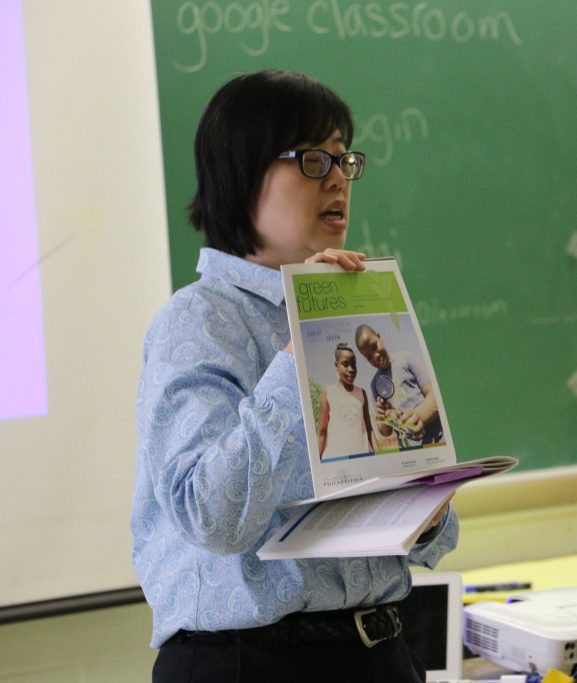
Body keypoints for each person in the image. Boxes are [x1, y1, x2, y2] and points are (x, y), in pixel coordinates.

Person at [130, 69, 457, 683]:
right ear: (242, 172)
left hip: (382, 650)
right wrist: (297, 355)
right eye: (311, 160)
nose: (337, 179)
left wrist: (428, 496)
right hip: (253, 662)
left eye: (342, 159)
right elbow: (211, 516)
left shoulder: (357, 309)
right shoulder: (197, 322)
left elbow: (428, 539)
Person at [354, 324, 443, 449]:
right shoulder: (375, 384)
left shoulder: (405, 358)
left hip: (436, 440)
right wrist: (385, 418)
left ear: (379, 337)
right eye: (368, 357)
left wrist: (419, 417)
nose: (375, 356)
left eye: (375, 346)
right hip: (408, 449)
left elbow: (434, 395)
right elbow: (385, 431)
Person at [318, 342, 376, 459]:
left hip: (364, 458)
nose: (351, 369)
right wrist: (318, 463)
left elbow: (369, 430)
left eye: (353, 365)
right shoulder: (328, 392)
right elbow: (321, 433)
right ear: (336, 366)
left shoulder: (362, 393)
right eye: (345, 364)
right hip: (336, 460)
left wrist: (379, 457)